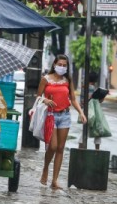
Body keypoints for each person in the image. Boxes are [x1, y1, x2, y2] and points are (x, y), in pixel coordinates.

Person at [37, 54, 87, 190]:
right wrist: (45, 100)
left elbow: (73, 99)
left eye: (65, 65)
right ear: (54, 65)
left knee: (60, 148)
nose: (62, 67)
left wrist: (81, 112)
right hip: (50, 115)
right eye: (60, 64)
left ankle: (54, 180)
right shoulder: (45, 79)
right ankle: (45, 168)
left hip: (64, 116)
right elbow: (37, 96)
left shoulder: (67, 80)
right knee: (52, 146)